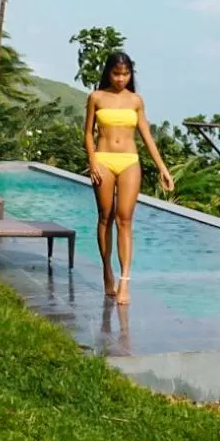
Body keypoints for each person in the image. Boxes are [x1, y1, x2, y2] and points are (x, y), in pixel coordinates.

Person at [84, 51, 174, 304]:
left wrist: (162, 168)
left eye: (125, 74)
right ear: (108, 73)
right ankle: (107, 270)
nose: (121, 78)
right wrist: (93, 162)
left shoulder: (136, 101)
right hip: (103, 161)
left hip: (129, 162)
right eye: (116, 73)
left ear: (131, 74)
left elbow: (146, 135)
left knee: (125, 219)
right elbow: (88, 134)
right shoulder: (96, 97)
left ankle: (125, 281)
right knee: (105, 217)